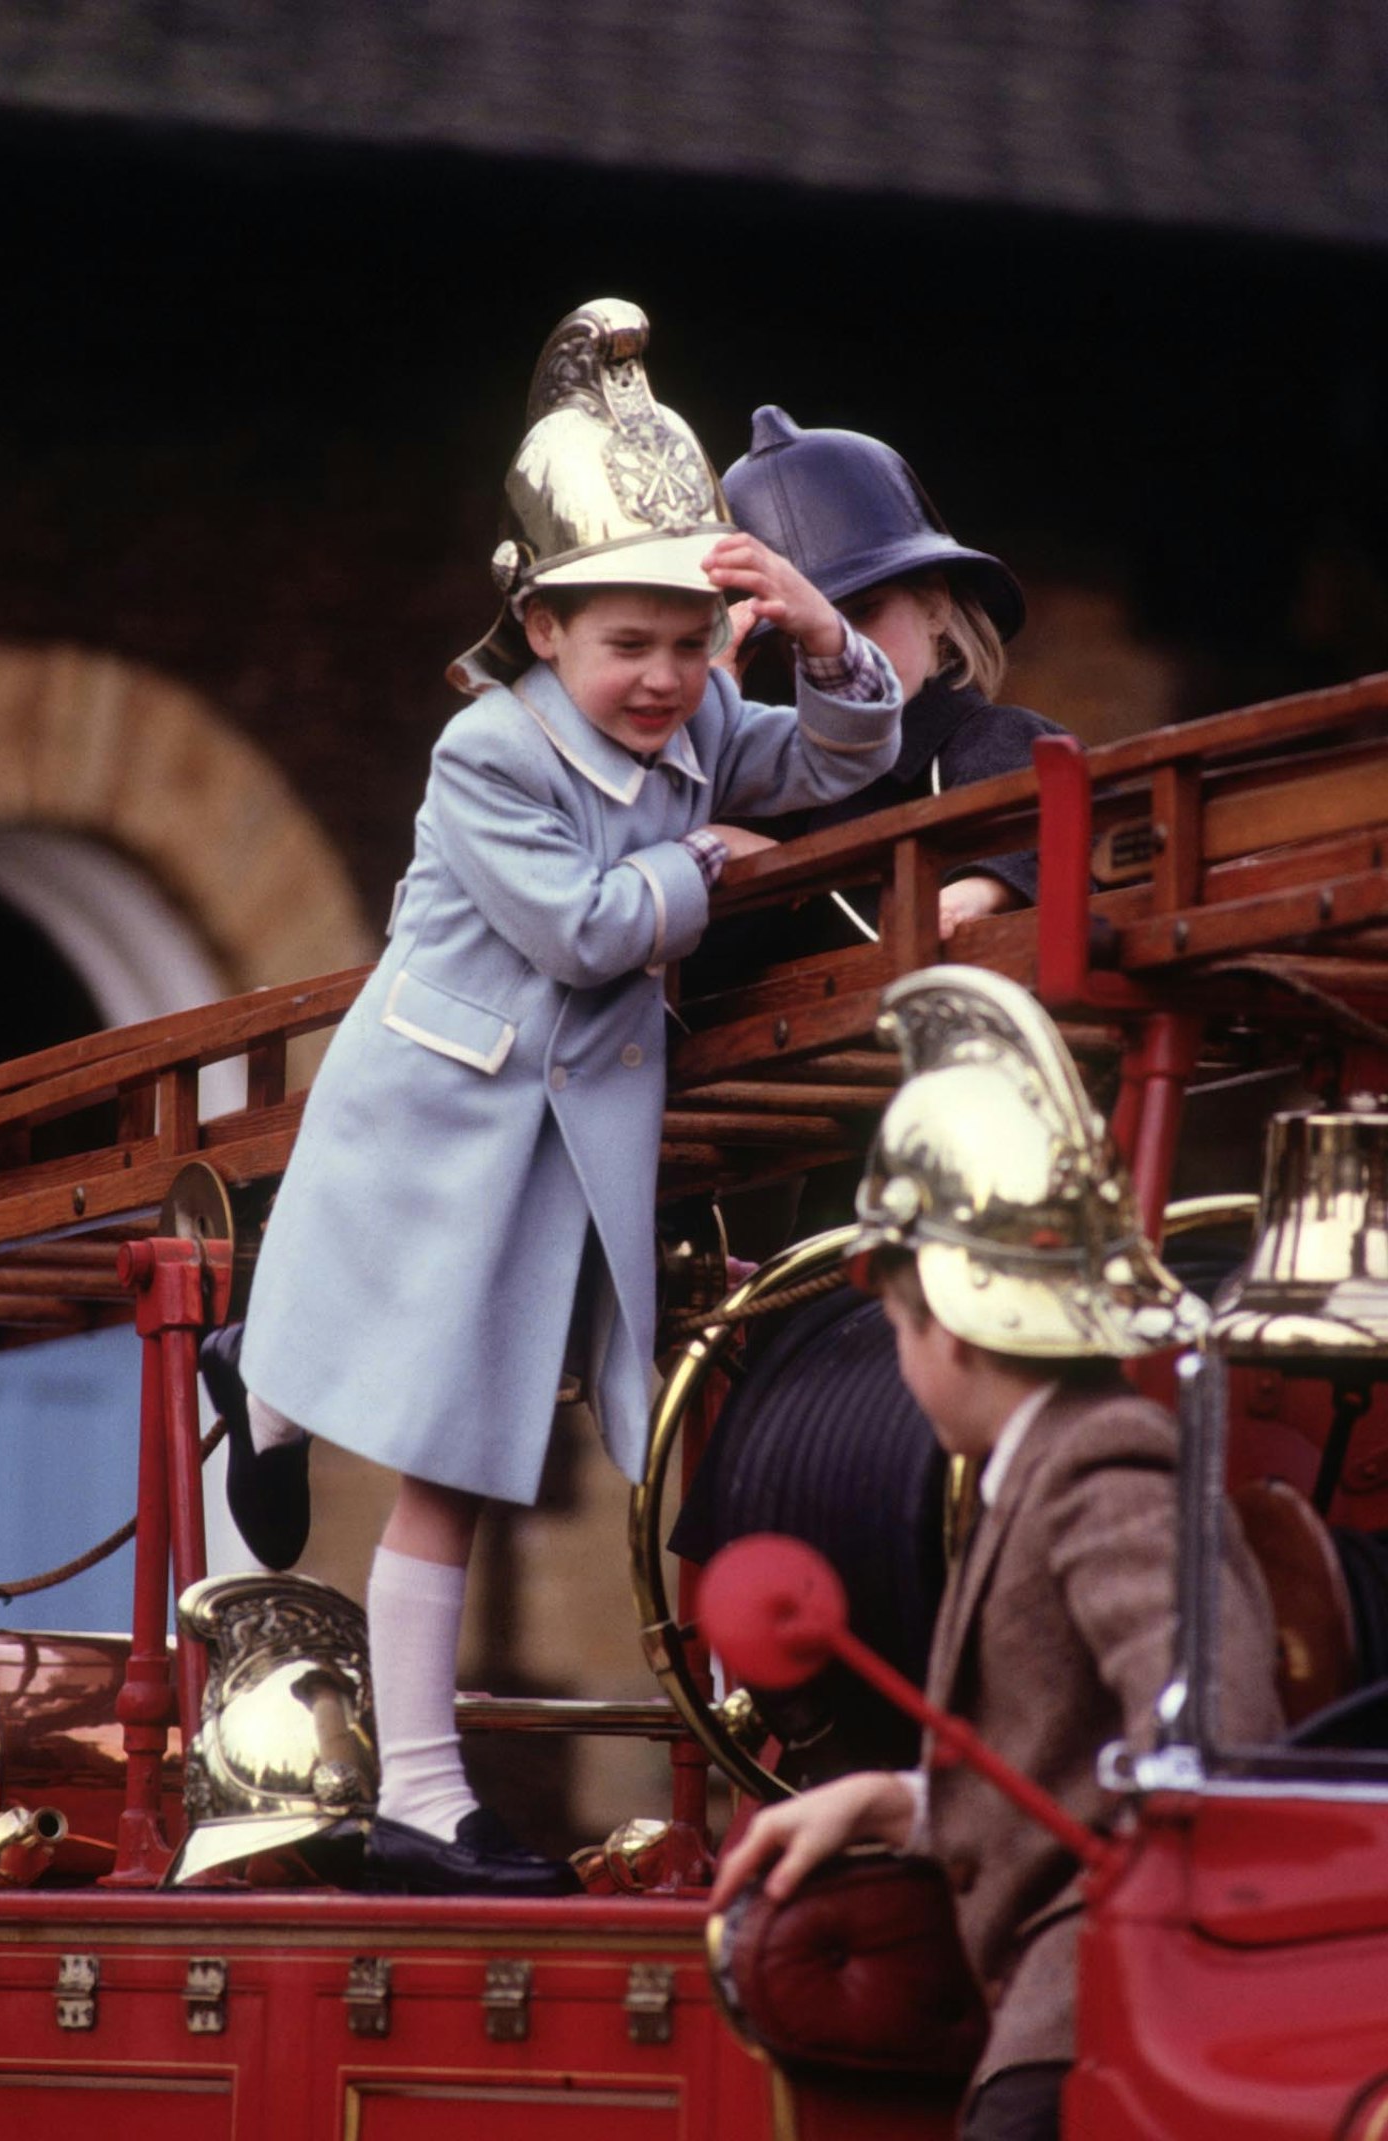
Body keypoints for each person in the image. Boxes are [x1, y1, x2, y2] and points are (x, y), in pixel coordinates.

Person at [199, 298, 904, 1897]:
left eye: (687, 642)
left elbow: (842, 764)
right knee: (454, 1457)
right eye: (625, 646)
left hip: (558, 1139)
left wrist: (818, 632)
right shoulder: (488, 757)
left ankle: (274, 1378)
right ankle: (425, 1793)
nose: (664, 681)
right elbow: (584, 933)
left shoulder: (707, 709)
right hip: (441, 1129)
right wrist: (702, 861)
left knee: (489, 1444)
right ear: (539, 633)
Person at [709, 966, 1284, 2140]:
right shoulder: (1038, 1462)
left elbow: (1216, 1740)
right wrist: (896, 1799)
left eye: (897, 1330)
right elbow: (1067, 1763)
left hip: (1094, 2023)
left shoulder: (1100, 1464)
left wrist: (1103, 1947)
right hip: (1060, 2014)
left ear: (950, 1325)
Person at [713, 405, 1065, 950]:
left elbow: (1039, 833)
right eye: (800, 635)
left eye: (865, 610)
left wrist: (973, 895)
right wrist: (703, 727)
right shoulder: (776, 798)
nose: (842, 645)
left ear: (935, 604)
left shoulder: (997, 739)